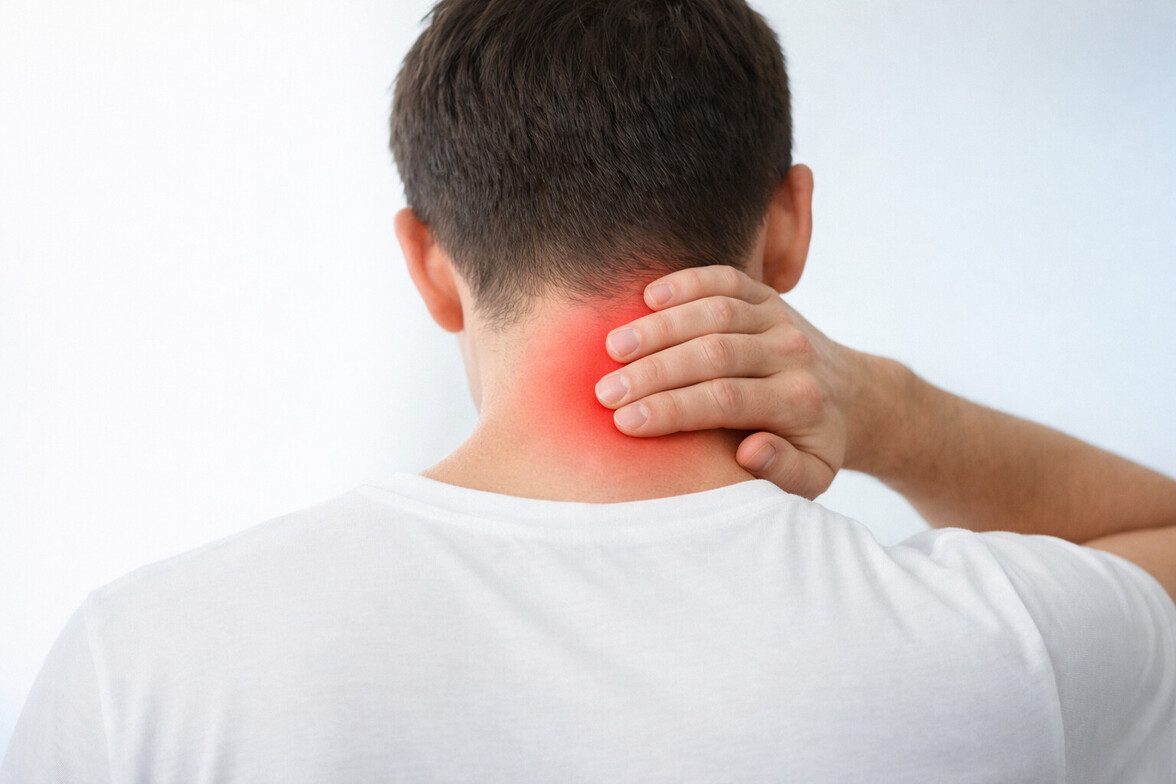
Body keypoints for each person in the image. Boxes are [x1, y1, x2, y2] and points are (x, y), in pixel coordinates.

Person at [4, 0, 1175, 781]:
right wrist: (887, 406)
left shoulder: (147, 658)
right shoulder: (997, 641)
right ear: (789, 229)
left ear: (427, 261)